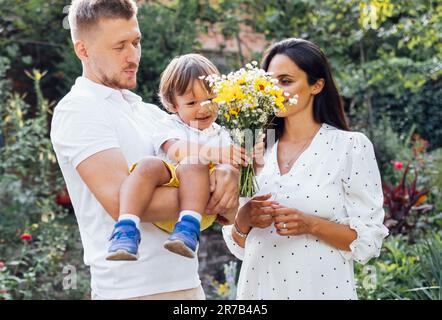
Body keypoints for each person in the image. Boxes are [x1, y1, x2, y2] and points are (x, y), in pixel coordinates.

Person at [50, 0, 238, 300]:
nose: (132, 56)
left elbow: (217, 190)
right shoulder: (79, 108)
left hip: (188, 283)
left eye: (136, 42)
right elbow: (120, 203)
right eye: (119, 46)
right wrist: (209, 193)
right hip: (131, 291)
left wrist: (228, 174)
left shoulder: (151, 113)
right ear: (83, 50)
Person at [222, 38, 389, 300]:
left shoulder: (349, 146)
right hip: (258, 291)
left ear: (317, 85)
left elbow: (369, 239)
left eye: (286, 81)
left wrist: (310, 224)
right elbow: (241, 245)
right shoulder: (253, 147)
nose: (274, 90)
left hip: (321, 290)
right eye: (270, 82)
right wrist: (243, 220)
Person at [107, 53, 247, 260]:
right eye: (191, 103)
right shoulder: (169, 124)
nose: (204, 108)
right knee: (148, 165)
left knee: (194, 164)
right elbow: (176, 150)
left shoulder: (222, 134)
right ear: (173, 105)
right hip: (172, 185)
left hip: (199, 209)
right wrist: (217, 154)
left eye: (210, 99)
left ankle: (187, 229)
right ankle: (126, 227)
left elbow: (235, 175)